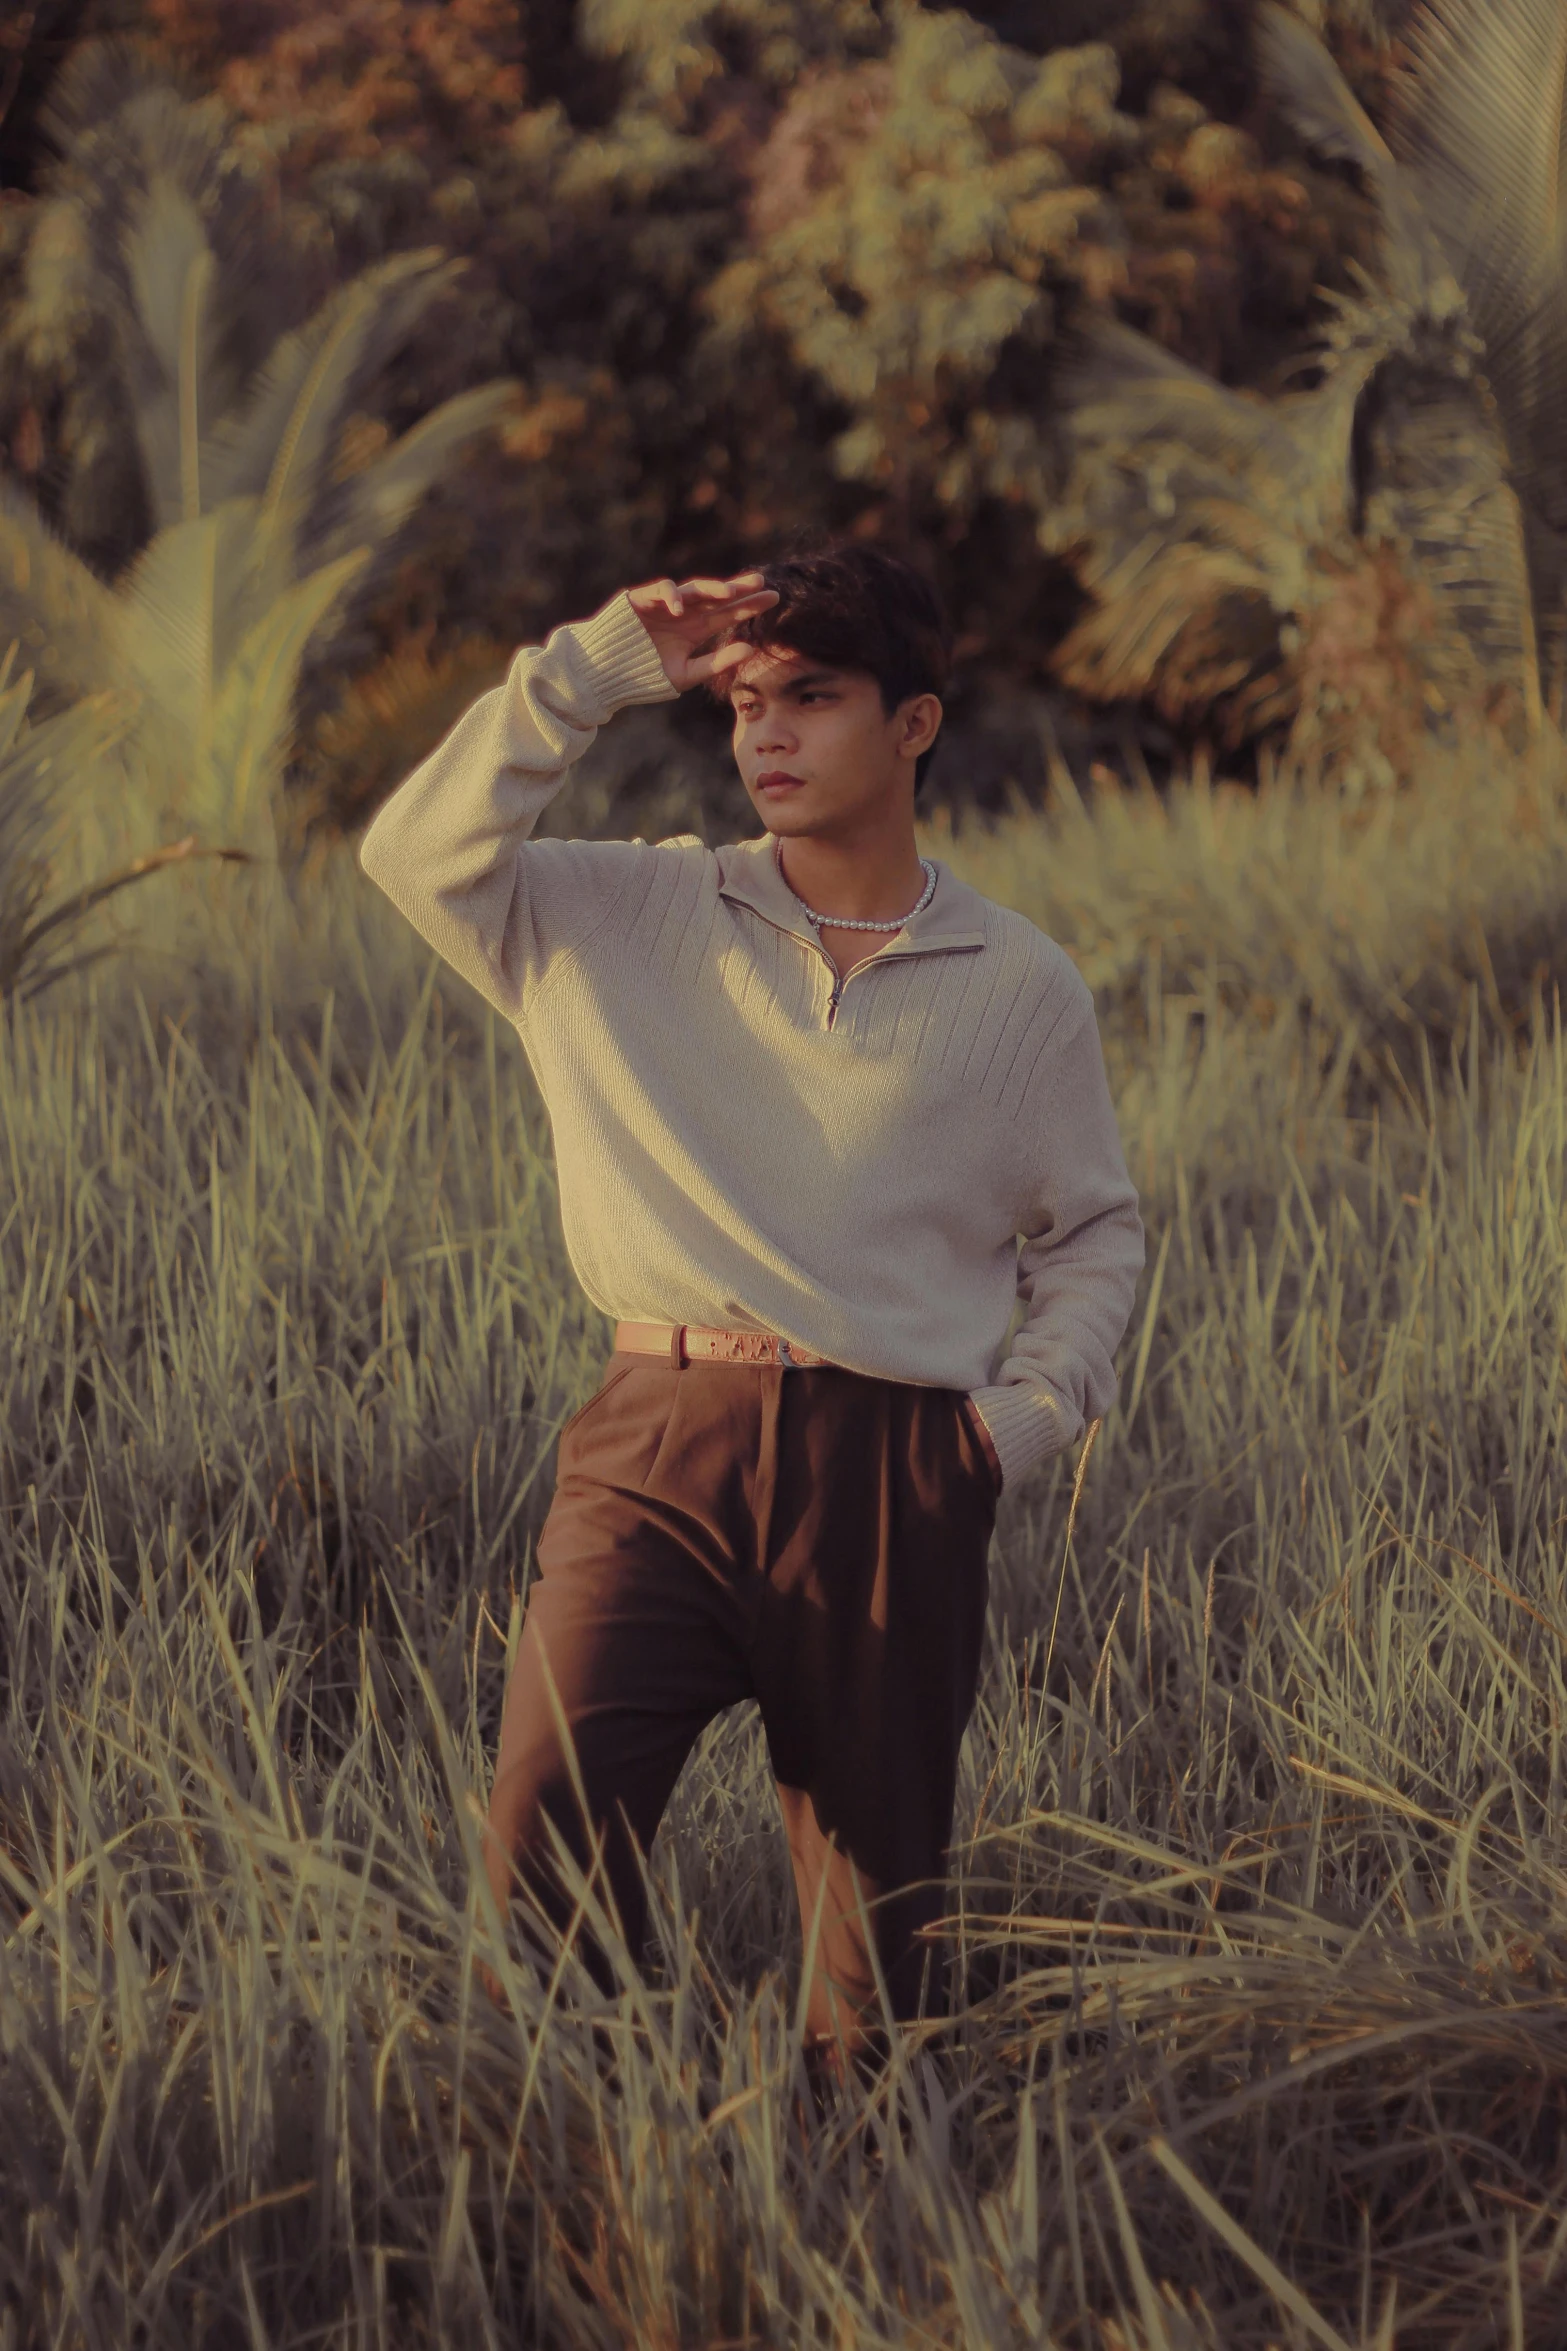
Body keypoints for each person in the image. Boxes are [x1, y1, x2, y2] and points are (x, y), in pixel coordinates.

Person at [357, 540, 1145, 2084]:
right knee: (538, 1865)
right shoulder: (615, 913)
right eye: (741, 703)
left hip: (896, 1466)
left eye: (811, 697)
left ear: (912, 723)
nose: (764, 735)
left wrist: (1016, 1423)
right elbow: (413, 853)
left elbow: (1093, 1229)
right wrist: (588, 667)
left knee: (878, 1947)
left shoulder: (1016, 984)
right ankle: (597, 2216)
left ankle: (861, 2248)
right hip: (655, 1444)